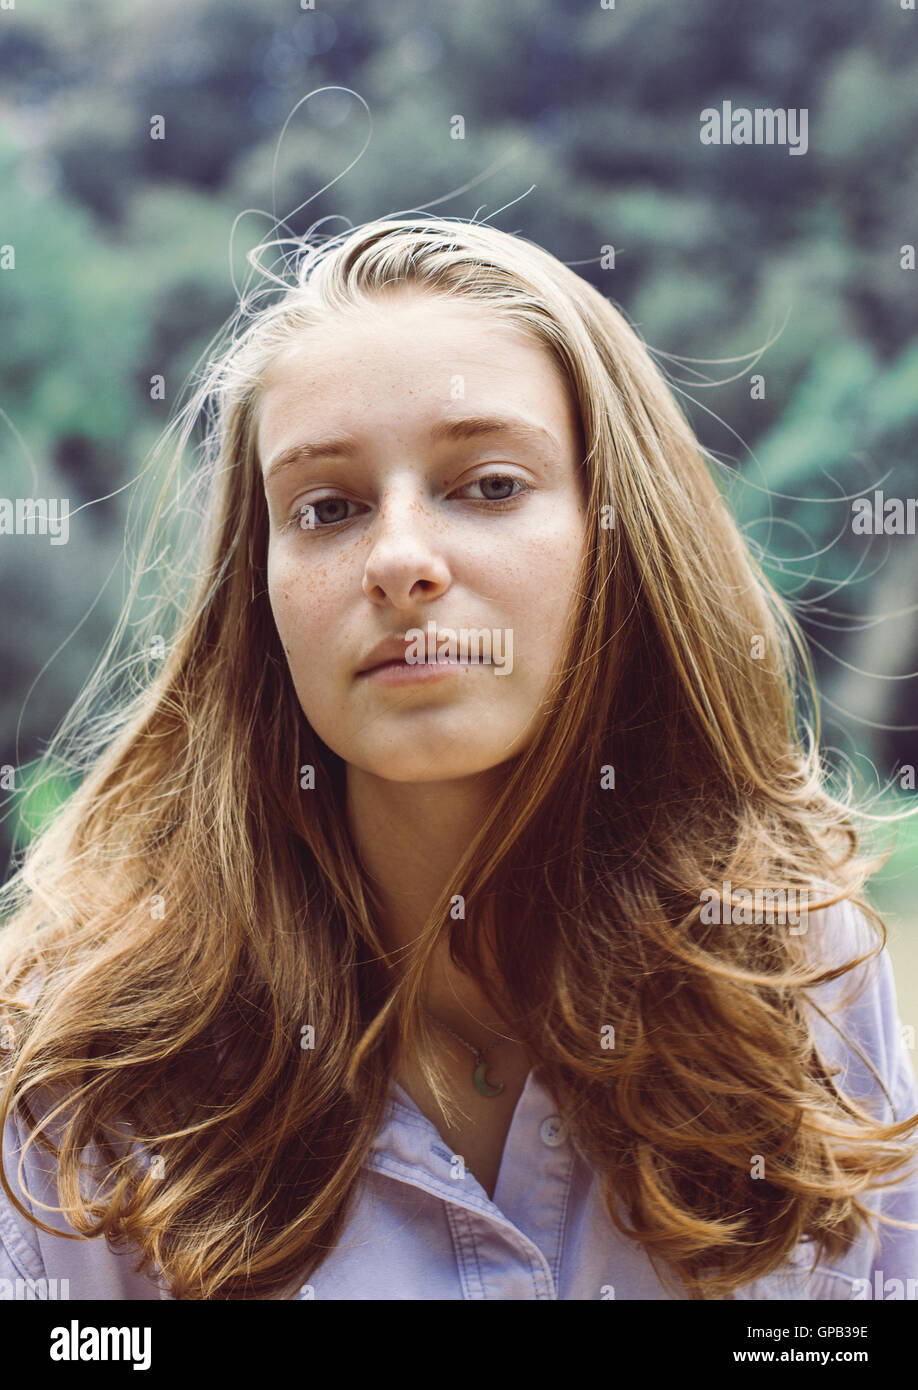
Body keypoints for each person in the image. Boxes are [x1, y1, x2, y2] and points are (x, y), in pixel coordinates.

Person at [1, 216, 916, 1301]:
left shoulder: (800, 967)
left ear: (617, 534)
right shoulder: (83, 1068)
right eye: (327, 507)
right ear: (261, 589)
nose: (398, 560)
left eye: (487, 485)